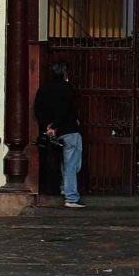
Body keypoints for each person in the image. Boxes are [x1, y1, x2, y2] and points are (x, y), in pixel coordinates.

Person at [33, 62, 83, 209]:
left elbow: (37, 109)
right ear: (64, 73)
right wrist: (56, 126)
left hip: (50, 132)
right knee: (72, 165)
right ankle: (71, 197)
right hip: (69, 130)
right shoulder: (67, 88)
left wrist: (47, 126)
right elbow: (67, 109)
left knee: (58, 162)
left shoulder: (43, 88)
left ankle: (62, 188)